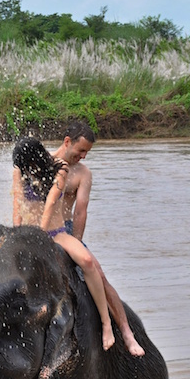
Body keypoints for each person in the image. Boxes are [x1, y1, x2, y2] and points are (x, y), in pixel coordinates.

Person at [50, 122, 145, 356]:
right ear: (67, 141)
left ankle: (125, 331)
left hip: (67, 230)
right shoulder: (45, 162)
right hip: (44, 230)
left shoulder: (83, 173)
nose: (82, 156)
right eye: (80, 150)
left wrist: (77, 242)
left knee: (99, 274)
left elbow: (80, 211)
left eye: (87, 153)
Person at [13, 137, 115, 351]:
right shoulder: (19, 170)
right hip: (28, 233)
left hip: (56, 233)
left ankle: (106, 324)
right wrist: (18, 233)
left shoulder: (60, 168)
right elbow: (17, 203)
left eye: (28, 164)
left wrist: (41, 234)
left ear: (37, 158)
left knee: (87, 261)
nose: (26, 169)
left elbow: (51, 201)